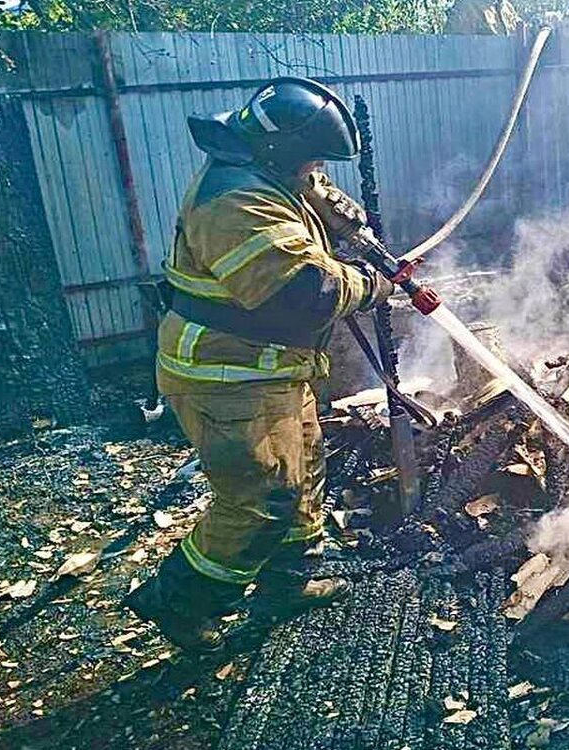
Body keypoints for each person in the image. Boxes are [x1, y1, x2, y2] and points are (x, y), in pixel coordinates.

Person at [124, 77, 394, 652]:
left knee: (302, 471)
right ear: (277, 149)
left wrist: (349, 223)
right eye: (312, 159)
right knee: (259, 497)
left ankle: (289, 583)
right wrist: (371, 285)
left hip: (273, 367)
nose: (316, 169)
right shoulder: (233, 203)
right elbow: (304, 292)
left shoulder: (266, 163)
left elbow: (312, 189)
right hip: (225, 374)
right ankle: (179, 601)